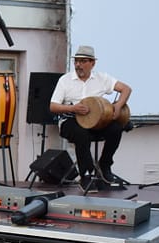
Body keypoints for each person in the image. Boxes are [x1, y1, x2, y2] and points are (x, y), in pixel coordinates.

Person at [49, 45, 133, 191]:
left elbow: (126, 89)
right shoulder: (65, 80)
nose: (78, 65)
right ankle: (86, 175)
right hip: (71, 120)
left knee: (116, 128)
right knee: (81, 133)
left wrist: (118, 106)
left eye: (83, 61)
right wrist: (73, 108)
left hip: (97, 122)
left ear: (92, 63)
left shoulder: (102, 78)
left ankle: (105, 165)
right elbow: (53, 106)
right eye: (76, 61)